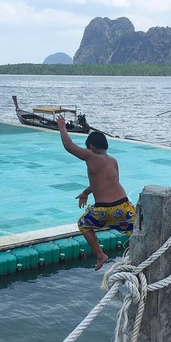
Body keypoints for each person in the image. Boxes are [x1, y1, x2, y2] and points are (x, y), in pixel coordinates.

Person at [56, 114, 135, 270]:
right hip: (123, 207)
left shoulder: (91, 156)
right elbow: (106, 183)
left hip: (103, 210)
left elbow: (69, 145)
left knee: (83, 224)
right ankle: (141, 255)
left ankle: (100, 255)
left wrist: (62, 127)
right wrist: (85, 192)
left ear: (91, 147)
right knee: (138, 231)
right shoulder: (113, 160)